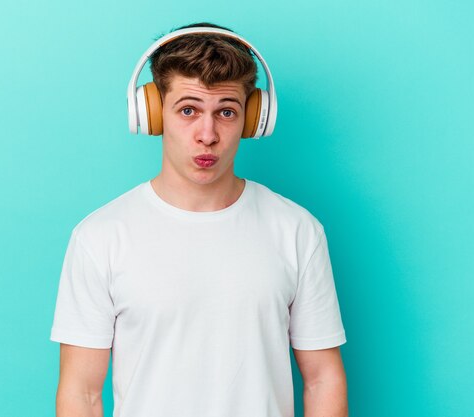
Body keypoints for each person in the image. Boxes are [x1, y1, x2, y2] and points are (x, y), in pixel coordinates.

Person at [50, 22, 348, 417]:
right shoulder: (100, 237)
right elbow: (81, 394)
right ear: (152, 113)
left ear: (254, 118)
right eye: (188, 110)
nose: (207, 134)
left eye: (226, 112)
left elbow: (322, 379)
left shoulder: (298, 230)